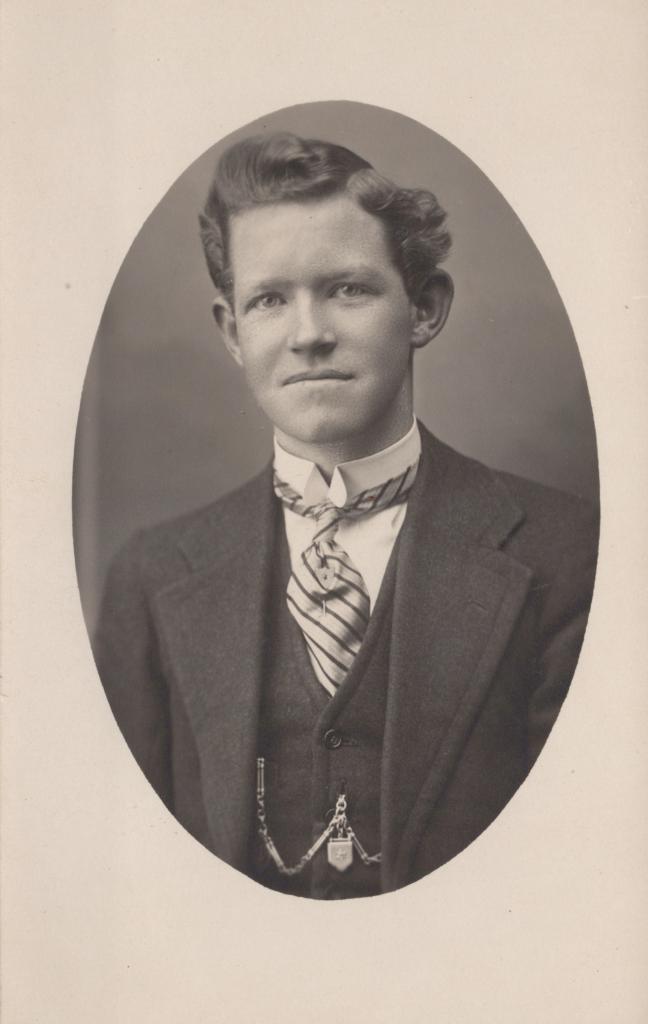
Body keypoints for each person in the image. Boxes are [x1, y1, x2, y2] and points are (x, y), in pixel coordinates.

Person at [93, 132, 598, 899]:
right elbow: (121, 880)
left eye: (348, 289)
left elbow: (578, 871)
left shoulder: (567, 554)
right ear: (232, 331)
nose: (308, 335)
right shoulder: (150, 576)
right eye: (269, 300)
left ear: (423, 309)